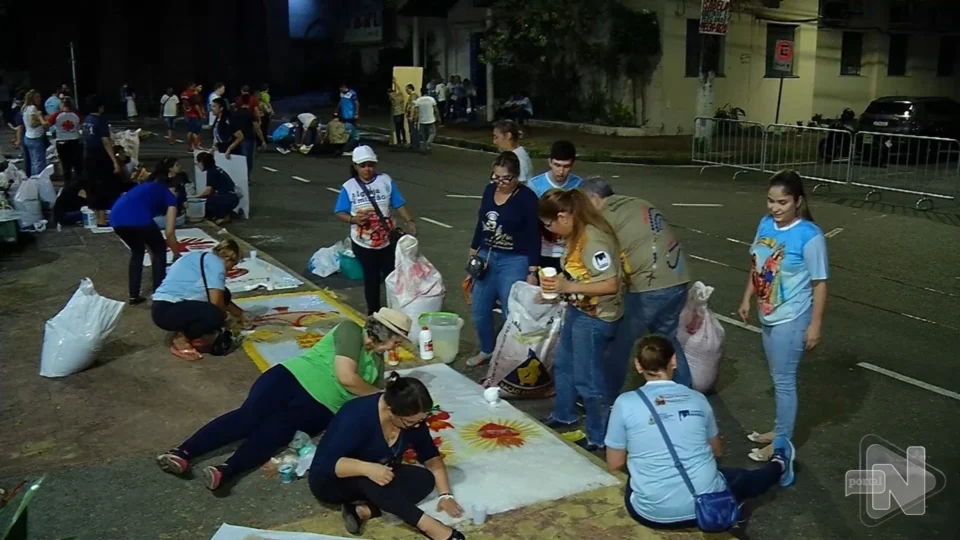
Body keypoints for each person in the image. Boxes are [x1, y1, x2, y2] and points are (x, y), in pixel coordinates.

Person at [157, 309, 411, 491]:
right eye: (395, 341)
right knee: (249, 418)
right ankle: (184, 452)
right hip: (291, 379)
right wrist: (382, 396)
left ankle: (226, 470)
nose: (394, 348)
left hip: (321, 408)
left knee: (274, 433)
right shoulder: (351, 331)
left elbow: (372, 398)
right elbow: (347, 377)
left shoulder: (377, 363)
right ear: (382, 332)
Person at [605, 335, 794, 530]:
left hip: (650, 514)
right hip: (704, 504)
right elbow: (717, 451)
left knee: (637, 479)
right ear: (673, 361)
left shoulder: (624, 403)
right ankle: (779, 465)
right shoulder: (697, 399)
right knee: (739, 478)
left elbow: (615, 463)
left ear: (638, 365)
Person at [738, 170, 827, 466]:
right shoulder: (765, 224)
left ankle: (781, 446)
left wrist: (815, 324)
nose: (775, 208)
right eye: (771, 201)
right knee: (778, 380)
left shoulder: (809, 235)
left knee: (784, 381)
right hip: (768, 314)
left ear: (798, 202)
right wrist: (747, 297)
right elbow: (758, 265)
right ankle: (779, 430)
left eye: (783, 203)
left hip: (793, 317)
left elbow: (820, 283)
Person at [308, 374, 466, 539]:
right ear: (390, 411)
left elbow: (430, 456)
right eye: (410, 422)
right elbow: (325, 466)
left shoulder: (412, 418)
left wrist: (445, 494)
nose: (417, 426)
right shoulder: (355, 416)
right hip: (333, 481)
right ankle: (428, 526)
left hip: (378, 472)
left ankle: (363, 511)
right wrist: (366, 468)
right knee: (371, 479)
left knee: (424, 479)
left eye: (421, 420)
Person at [580, 177, 694, 392]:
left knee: (619, 343)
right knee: (666, 338)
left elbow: (608, 261)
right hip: (678, 278)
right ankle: (684, 391)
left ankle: (607, 397)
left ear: (594, 198)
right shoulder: (638, 202)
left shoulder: (604, 218)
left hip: (649, 285)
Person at [538, 188, 624, 451]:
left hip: (595, 316)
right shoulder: (576, 234)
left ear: (563, 216)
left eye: (549, 224)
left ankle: (599, 436)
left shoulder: (593, 240)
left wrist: (565, 287)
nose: (549, 230)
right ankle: (565, 414)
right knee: (563, 363)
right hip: (579, 309)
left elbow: (611, 284)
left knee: (588, 379)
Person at [465, 152, 540, 368]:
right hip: (487, 255)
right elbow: (481, 223)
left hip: (515, 259)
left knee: (512, 312)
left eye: (505, 179)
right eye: (496, 177)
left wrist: (532, 270)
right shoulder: (489, 191)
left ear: (516, 177)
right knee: (479, 309)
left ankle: (511, 356)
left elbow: (535, 235)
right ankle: (487, 349)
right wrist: (473, 251)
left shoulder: (527, 198)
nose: (500, 183)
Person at [334, 146, 417, 314]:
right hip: (362, 242)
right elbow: (339, 211)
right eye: (363, 165)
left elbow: (398, 202)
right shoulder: (349, 187)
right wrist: (353, 219)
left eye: (370, 165)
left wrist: (409, 221)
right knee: (371, 278)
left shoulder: (385, 181)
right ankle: (374, 313)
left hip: (386, 240)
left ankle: (396, 310)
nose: (367, 169)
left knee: (392, 276)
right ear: (355, 166)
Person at [151, 239, 245, 361]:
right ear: (228, 259)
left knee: (223, 293)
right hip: (166, 311)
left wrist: (241, 314)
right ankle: (181, 340)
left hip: (163, 307)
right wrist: (225, 322)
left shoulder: (201, 256)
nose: (231, 269)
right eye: (234, 264)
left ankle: (186, 329)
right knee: (214, 316)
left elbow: (221, 296)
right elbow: (216, 304)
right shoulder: (217, 264)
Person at [109, 171, 182, 305]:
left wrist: (151, 250)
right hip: (138, 219)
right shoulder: (169, 195)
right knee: (160, 250)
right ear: (175, 189)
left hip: (116, 217)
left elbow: (146, 236)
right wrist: (176, 254)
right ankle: (159, 295)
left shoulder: (149, 186)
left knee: (137, 252)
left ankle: (134, 295)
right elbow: (170, 232)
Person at [529, 141, 583, 269]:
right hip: (542, 251)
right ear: (549, 162)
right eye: (557, 165)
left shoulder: (579, 185)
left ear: (573, 164)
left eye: (566, 166)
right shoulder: (534, 185)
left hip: (570, 251)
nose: (561, 171)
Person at [83, 96, 124, 227]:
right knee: (103, 186)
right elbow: (106, 141)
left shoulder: (87, 120)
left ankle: (97, 216)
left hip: (88, 155)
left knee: (93, 185)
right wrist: (115, 162)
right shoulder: (100, 121)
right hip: (100, 155)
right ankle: (102, 218)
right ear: (100, 107)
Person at [195, 152, 240, 224]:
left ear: (202, 163)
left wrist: (195, 197)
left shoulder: (211, 172)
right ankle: (227, 213)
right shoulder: (216, 169)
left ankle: (224, 217)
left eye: (198, 162)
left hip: (227, 199)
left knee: (206, 207)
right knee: (209, 200)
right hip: (232, 197)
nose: (197, 165)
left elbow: (208, 191)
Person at [46, 97, 83, 184]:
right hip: (74, 140)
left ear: (62, 104)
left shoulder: (57, 114)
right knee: (78, 166)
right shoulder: (76, 114)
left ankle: (67, 185)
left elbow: (47, 124)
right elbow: (81, 125)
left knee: (66, 166)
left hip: (61, 141)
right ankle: (80, 185)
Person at [150, 157, 189, 229]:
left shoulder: (180, 180)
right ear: (170, 169)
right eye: (177, 165)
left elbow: (184, 200)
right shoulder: (160, 180)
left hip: (174, 216)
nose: (180, 166)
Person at [492, 120, 533, 184]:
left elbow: (519, 186)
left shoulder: (518, 159)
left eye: (496, 137)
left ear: (508, 136)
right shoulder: (515, 154)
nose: (494, 142)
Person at [21, 90, 46, 177]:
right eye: (37, 97)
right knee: (39, 162)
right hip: (35, 137)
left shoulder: (25, 108)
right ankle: (39, 181)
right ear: (32, 98)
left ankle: (34, 179)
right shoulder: (33, 108)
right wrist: (41, 120)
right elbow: (32, 123)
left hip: (28, 137)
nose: (39, 99)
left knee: (33, 162)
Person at [234, 94, 257, 173]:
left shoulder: (236, 113)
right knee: (248, 159)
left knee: (240, 157)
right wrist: (263, 140)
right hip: (249, 137)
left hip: (237, 138)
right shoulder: (250, 114)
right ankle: (247, 176)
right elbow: (256, 127)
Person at [181, 83, 203, 151]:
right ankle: (196, 145)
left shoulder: (183, 94)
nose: (194, 88)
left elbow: (183, 105)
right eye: (193, 86)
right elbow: (196, 105)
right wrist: (201, 113)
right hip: (194, 114)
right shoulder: (192, 94)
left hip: (188, 114)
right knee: (195, 131)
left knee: (190, 131)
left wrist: (186, 112)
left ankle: (191, 146)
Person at [404, 84, 421, 150]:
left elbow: (413, 106)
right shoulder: (412, 96)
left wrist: (411, 115)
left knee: (413, 130)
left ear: (410, 89)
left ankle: (415, 145)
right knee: (412, 130)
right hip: (412, 116)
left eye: (407, 89)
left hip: (413, 116)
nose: (406, 91)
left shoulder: (413, 96)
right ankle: (414, 144)